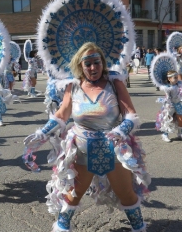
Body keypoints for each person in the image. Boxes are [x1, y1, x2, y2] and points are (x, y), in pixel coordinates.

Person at [24, 42, 150, 232]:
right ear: (80, 66)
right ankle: (61, 227)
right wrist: (42, 132)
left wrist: (120, 130)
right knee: (73, 194)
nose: (93, 68)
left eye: (96, 62)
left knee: (127, 195)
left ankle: (139, 228)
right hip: (82, 149)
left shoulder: (114, 83)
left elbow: (131, 114)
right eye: (88, 63)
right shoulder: (73, 86)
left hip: (113, 149)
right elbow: (61, 115)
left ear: (102, 62)